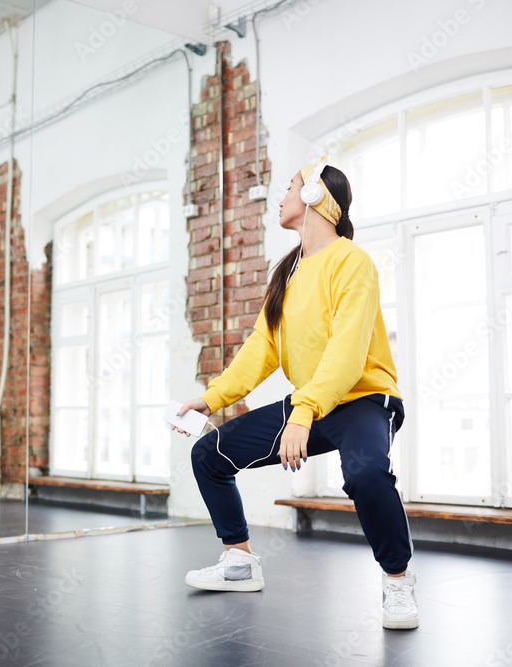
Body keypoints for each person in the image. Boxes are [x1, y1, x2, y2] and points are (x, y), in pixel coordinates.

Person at [172, 157, 418, 630]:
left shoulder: (352, 261)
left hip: (365, 400)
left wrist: (302, 414)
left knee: (365, 475)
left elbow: (346, 354)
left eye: (290, 188)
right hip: (313, 401)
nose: (281, 198)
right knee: (209, 455)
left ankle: (397, 581)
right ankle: (239, 560)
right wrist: (214, 397)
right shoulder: (288, 272)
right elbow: (261, 348)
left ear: (313, 198)